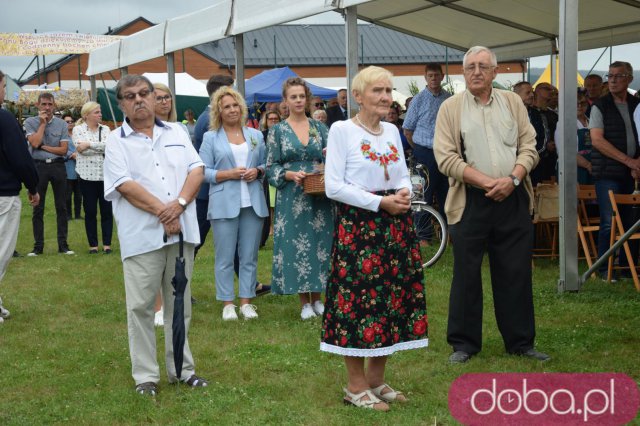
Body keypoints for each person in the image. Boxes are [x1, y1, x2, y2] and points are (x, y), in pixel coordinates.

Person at [321, 66, 428, 411]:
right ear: (357, 96)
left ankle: (377, 380)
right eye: (377, 90)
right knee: (356, 304)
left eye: (388, 90)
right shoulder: (341, 130)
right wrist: (380, 202)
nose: (386, 97)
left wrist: (404, 191)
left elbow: (401, 174)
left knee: (391, 301)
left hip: (395, 228)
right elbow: (332, 185)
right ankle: (355, 386)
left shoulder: (393, 131)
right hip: (359, 228)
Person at [434, 46, 548, 364]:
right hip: (470, 200)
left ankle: (521, 343)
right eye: (470, 66)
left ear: (495, 72)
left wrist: (511, 179)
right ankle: (464, 344)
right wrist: (487, 183)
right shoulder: (450, 108)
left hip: (512, 197)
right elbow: (445, 158)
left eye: (483, 66)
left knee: (514, 272)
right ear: (463, 71)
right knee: (466, 274)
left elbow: (530, 146)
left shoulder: (512, 102)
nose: (477, 72)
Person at [103, 74, 208, 396]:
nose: (139, 100)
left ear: (153, 96)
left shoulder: (177, 131)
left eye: (144, 93)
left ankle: (182, 370)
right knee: (141, 307)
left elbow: (196, 170)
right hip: (142, 237)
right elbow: (124, 185)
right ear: (121, 104)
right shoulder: (115, 141)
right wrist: (164, 212)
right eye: (130, 96)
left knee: (180, 306)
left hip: (181, 233)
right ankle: (146, 376)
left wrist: (177, 205)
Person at [193, 74, 270, 296]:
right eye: (227, 106)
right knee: (225, 257)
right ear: (219, 111)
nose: (233, 110)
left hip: (252, 202)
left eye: (236, 105)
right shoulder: (210, 136)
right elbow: (202, 171)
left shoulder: (255, 135)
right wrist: (228, 174)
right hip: (223, 201)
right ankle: (227, 302)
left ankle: (247, 299)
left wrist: (258, 171)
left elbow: (266, 164)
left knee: (249, 257)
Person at [266, 77, 333, 320]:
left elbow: (332, 158)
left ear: (308, 99)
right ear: (285, 100)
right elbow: (270, 166)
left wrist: (326, 161)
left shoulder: (320, 128)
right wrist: (287, 173)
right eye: (293, 97)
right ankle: (304, 301)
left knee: (320, 243)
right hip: (292, 196)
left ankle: (319, 298)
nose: (297, 101)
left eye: (301, 96)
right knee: (297, 245)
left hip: (319, 192)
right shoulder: (277, 131)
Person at [590, 61, 639, 280]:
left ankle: (628, 268)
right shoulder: (600, 105)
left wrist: (638, 162)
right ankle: (604, 269)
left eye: (618, 76)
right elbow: (597, 141)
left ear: (630, 78)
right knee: (609, 220)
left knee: (631, 221)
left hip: (632, 173)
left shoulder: (637, 104)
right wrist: (630, 161)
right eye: (609, 75)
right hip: (608, 173)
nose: (612, 80)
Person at [0, 69, 40, 324]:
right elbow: (19, 157)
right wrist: (32, 185)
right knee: (1, 251)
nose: (4, 91)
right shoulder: (3, 119)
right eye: (3, 86)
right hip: (3, 194)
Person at [25, 92, 74, 256]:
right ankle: (38, 247)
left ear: (54, 106)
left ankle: (63, 246)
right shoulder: (30, 122)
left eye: (50, 104)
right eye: (44, 104)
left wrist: (44, 147)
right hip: (38, 167)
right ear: (38, 105)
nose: (47, 107)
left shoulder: (61, 124)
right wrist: (42, 124)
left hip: (58, 167)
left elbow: (63, 150)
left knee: (62, 207)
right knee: (38, 208)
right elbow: (35, 142)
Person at [402, 64, 451, 222]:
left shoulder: (449, 98)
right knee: (423, 192)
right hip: (424, 152)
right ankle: (423, 235)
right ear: (425, 77)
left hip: (445, 151)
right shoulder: (418, 99)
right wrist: (419, 149)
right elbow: (407, 130)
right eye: (430, 75)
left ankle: (448, 232)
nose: (434, 78)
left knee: (447, 191)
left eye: (436, 75)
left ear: (442, 77)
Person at [72, 102, 113, 255]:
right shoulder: (77, 129)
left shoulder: (106, 129)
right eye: (96, 112)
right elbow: (81, 151)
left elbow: (109, 147)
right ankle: (93, 245)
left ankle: (107, 244)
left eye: (100, 111)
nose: (100, 114)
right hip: (86, 177)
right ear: (86, 115)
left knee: (106, 211)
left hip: (105, 176)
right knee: (90, 212)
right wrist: (96, 146)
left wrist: (88, 144)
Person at [554, 90, 593, 185]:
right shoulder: (564, 123)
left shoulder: (591, 122)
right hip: (571, 170)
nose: (579, 106)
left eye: (582, 103)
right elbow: (566, 152)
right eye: (576, 103)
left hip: (591, 170)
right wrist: (587, 165)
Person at [513, 81, 546, 185]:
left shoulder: (538, 114)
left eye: (532, 92)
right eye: (528, 93)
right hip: (512, 165)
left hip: (535, 165)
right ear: (517, 95)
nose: (532, 95)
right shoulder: (507, 113)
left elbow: (543, 139)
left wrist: (532, 157)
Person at [258, 110, 281, 247]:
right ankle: (264, 236)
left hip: (281, 174)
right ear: (266, 121)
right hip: (267, 175)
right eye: (270, 119)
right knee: (267, 206)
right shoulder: (262, 135)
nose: (273, 121)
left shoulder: (283, 134)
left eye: (275, 119)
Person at [62, 113, 82, 220]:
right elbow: (61, 148)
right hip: (68, 168)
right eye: (67, 122)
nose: (70, 123)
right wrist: (71, 154)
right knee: (68, 195)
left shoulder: (78, 134)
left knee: (79, 195)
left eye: (71, 121)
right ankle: (68, 215)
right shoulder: (62, 135)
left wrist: (78, 154)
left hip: (80, 169)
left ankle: (78, 215)